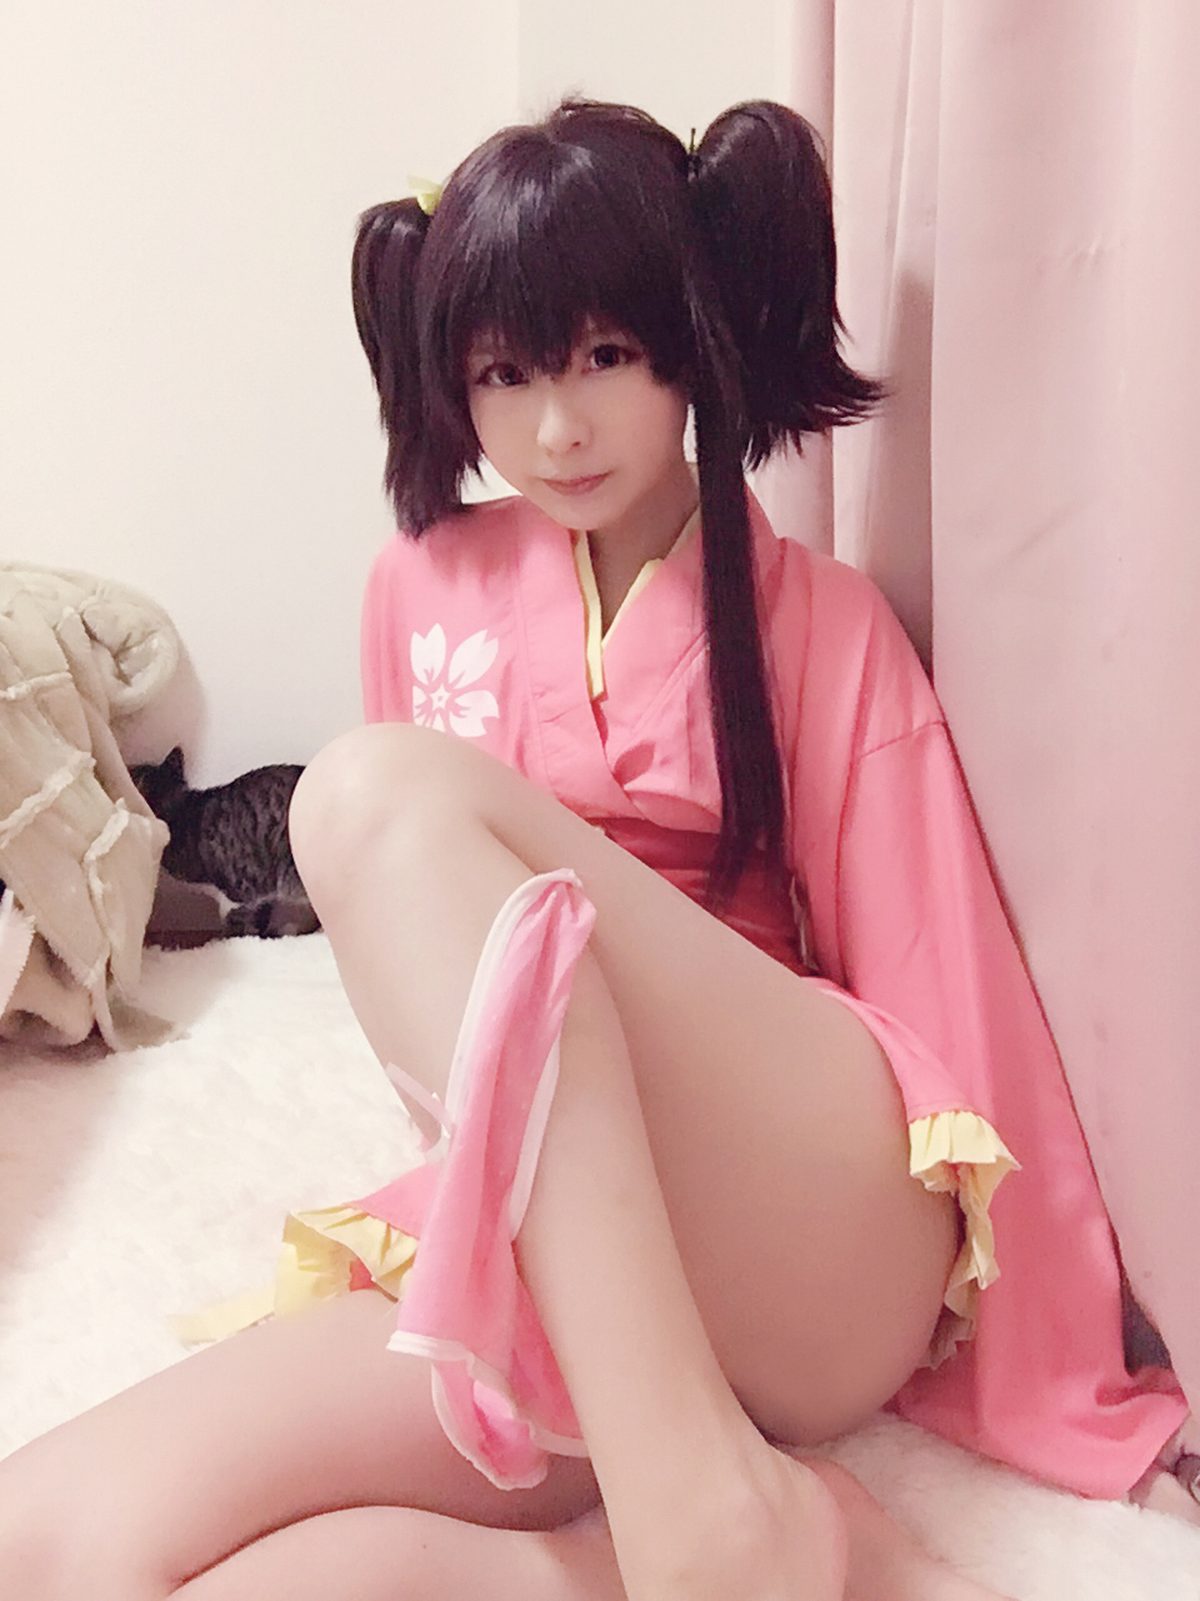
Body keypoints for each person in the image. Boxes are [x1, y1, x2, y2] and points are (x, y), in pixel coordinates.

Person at [0, 96, 1189, 1601]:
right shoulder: (417, 588)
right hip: (586, 1241)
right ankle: (767, 1536)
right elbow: (430, 1014)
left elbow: (951, 987)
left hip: (814, 1226)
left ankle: (706, 1511)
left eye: (606, 356)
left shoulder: (819, 622)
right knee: (54, 1539)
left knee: (364, 798)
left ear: (693, 341)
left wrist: (1061, 1376)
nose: (555, 427)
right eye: (504, 374)